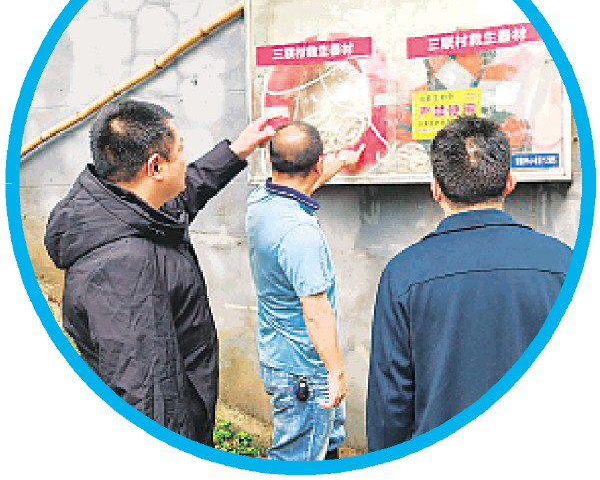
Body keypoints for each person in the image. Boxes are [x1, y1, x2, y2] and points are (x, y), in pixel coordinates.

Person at [45, 99, 274, 446]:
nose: (184, 159)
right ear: (155, 167)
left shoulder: (124, 210)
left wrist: (236, 151)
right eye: (180, 150)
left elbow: (183, 196)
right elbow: (149, 396)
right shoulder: (124, 267)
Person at [366, 116, 572, 451]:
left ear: (435, 189)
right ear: (510, 183)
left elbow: (391, 402)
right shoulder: (563, 264)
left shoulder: (403, 274)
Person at [246, 122, 363, 460]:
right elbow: (316, 311)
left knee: (324, 445)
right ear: (316, 163)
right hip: (305, 370)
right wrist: (335, 371)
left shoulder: (262, 200)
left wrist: (341, 160)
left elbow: (307, 183)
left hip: (283, 356)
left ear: (272, 162)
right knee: (297, 458)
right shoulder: (300, 235)